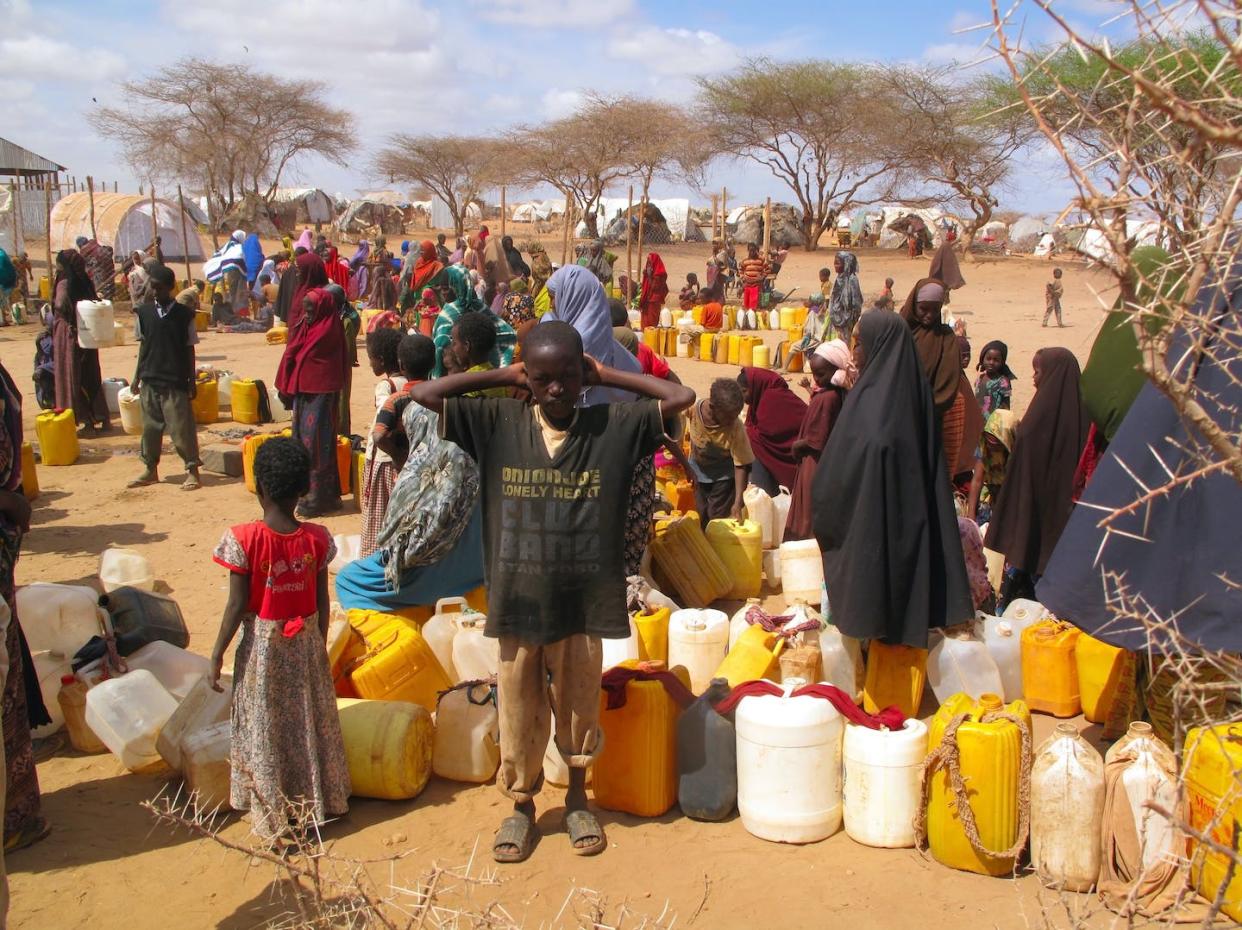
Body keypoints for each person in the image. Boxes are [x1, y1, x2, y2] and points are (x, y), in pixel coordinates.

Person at [411, 320, 694, 863]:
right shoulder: (497, 420)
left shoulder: (610, 424)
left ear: (582, 374)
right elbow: (424, 394)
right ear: (527, 377)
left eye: (567, 376)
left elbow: (681, 396)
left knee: (579, 706)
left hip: (584, 598)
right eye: (542, 378)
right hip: (518, 599)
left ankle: (579, 798)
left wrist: (607, 372)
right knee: (517, 708)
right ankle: (521, 806)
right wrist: (501, 372)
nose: (557, 389)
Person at [208, 437, 350, 841]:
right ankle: (320, 801)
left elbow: (236, 606)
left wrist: (217, 653)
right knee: (308, 723)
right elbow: (323, 598)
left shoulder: (244, 540)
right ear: (303, 489)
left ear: (261, 487)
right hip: (305, 643)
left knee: (267, 727)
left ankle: (272, 810)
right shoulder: (317, 539)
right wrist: (318, 642)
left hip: (264, 652)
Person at [812, 311, 974, 648]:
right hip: (908, 515)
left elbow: (852, 455)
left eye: (861, 344)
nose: (856, 352)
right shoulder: (915, 394)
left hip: (874, 511)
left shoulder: (872, 399)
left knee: (876, 584)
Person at [985, 348, 1088, 606]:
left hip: (1037, 517)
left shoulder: (1036, 419)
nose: (1033, 378)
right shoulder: (1084, 417)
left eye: (1037, 371)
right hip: (1068, 521)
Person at [275, 288, 347, 517]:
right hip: (304, 395)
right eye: (305, 311)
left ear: (321, 310)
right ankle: (316, 495)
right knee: (303, 443)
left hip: (321, 396)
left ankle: (315, 499)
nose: (306, 315)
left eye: (310, 311)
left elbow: (328, 367)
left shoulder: (328, 332)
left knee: (316, 446)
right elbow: (293, 354)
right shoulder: (306, 328)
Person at [899, 278, 982, 479]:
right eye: (923, 309)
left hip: (935, 416)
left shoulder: (945, 338)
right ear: (913, 305)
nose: (929, 315)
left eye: (935, 310)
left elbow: (947, 383)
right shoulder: (901, 334)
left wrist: (925, 405)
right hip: (901, 415)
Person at [128, 264, 202, 490]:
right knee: (150, 428)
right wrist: (136, 377)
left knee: (181, 428)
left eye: (159, 289)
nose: (155, 293)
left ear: (170, 288)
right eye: (153, 288)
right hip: (150, 378)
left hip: (174, 380)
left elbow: (189, 349)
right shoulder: (144, 313)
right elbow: (143, 347)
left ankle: (192, 470)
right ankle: (150, 469)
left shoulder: (183, 315)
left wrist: (191, 380)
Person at [785, 340, 854, 541]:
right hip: (821, 460)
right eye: (814, 374)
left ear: (835, 370)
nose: (816, 379)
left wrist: (798, 445)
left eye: (821, 374)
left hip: (814, 461)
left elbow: (818, 437)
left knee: (807, 510)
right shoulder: (833, 393)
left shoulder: (828, 397)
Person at [51, 249, 110, 434]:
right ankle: (102, 417)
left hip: (68, 336)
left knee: (72, 376)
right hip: (87, 334)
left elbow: (60, 305)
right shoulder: (85, 282)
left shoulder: (64, 284)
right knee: (90, 375)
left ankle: (86, 422)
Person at [359, 328, 406, 558]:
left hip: (384, 458)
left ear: (380, 360)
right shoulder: (410, 381)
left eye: (370, 358)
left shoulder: (386, 387)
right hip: (404, 456)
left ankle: (374, 559)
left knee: (378, 513)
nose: (369, 364)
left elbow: (383, 425)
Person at [688, 379, 753, 525]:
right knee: (700, 513)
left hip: (724, 476)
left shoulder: (736, 427)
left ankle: (715, 545)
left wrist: (738, 501)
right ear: (712, 407)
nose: (733, 420)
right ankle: (703, 543)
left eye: (736, 416)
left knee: (717, 517)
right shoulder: (693, 409)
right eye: (729, 417)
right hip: (698, 471)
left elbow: (741, 464)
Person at [431, 265, 516, 377]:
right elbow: (505, 332)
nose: (442, 293)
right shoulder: (479, 306)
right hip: (488, 374)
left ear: (457, 286)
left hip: (454, 379)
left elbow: (440, 347)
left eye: (446, 289)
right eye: (441, 289)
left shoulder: (447, 315)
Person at [737, 368, 807, 496]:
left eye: (744, 392)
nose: (742, 397)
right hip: (770, 448)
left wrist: (744, 433)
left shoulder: (773, 398)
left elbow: (768, 434)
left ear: (755, 386)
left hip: (791, 453)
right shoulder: (758, 398)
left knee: (753, 445)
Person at [965, 409, 1017, 524]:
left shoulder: (1018, 454)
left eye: (997, 445)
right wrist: (971, 514)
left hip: (1011, 499)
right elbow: (977, 480)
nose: (991, 448)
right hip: (991, 498)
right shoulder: (985, 447)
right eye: (988, 442)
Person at [285, 250, 327, 329]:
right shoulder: (299, 290)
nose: (297, 274)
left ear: (310, 271)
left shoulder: (322, 296)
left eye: (299, 270)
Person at [827, 250, 863, 343]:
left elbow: (856, 303)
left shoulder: (852, 280)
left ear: (846, 264)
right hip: (836, 318)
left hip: (847, 321)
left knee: (845, 344)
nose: (835, 266)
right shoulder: (839, 278)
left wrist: (852, 319)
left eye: (837, 263)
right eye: (834, 263)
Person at [975, 339, 1016, 416]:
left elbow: (1006, 406)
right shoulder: (980, 377)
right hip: (977, 420)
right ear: (982, 359)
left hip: (993, 424)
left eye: (996, 360)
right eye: (988, 359)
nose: (991, 362)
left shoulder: (1003, 381)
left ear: (1002, 362)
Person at [638, 252, 669, 329]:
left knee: (651, 320)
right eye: (647, 262)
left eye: (649, 262)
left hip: (654, 299)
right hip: (647, 298)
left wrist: (649, 276)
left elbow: (655, 287)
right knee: (645, 317)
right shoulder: (650, 271)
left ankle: (651, 335)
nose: (648, 264)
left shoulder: (660, 274)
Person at [738, 244, 767, 313]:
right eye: (750, 251)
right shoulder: (745, 260)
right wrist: (743, 277)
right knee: (746, 302)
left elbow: (767, 269)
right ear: (748, 251)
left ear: (756, 251)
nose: (752, 253)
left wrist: (762, 277)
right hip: (747, 283)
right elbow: (740, 270)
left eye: (754, 251)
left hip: (757, 284)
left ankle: (754, 315)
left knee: (755, 302)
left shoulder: (761, 260)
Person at [0, 251, 16, 326]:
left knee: (2, 300)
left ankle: (2, 319)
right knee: (2, 300)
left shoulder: (1, 255)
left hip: (4, 281)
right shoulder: (2, 253)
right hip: (7, 281)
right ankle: (3, 319)